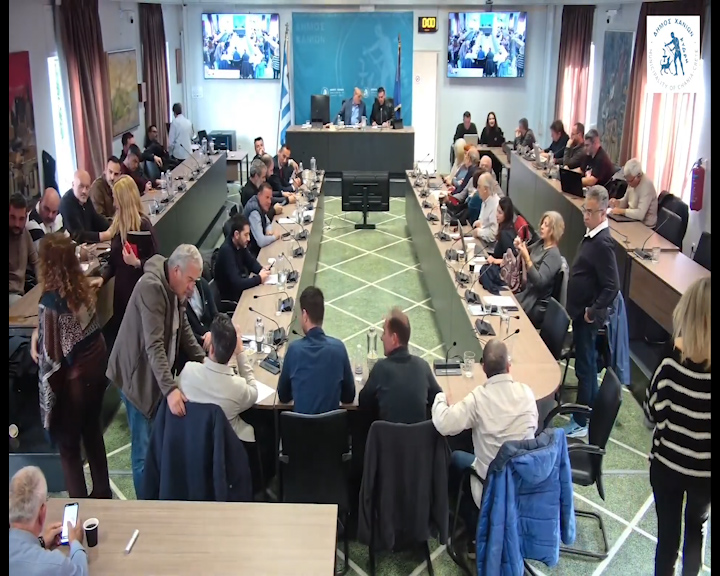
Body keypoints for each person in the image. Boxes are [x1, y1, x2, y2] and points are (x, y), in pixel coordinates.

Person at [106, 244, 207, 499]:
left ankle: (159, 494)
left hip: (153, 376)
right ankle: (146, 506)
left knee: (157, 442)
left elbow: (183, 329)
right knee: (143, 452)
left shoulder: (175, 288)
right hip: (135, 379)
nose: (192, 287)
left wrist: (205, 361)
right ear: (176, 270)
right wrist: (171, 390)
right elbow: (154, 346)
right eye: (191, 280)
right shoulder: (151, 288)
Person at [431, 339, 538, 545]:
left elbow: (443, 424)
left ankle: (472, 528)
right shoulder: (527, 393)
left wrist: (441, 397)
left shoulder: (478, 399)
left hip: (489, 487)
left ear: (483, 368)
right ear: (509, 366)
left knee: (455, 458)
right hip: (523, 482)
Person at [32, 233, 110, 498]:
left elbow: (51, 358)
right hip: (97, 371)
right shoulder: (83, 291)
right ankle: (103, 495)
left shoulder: (49, 303)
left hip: (75, 383)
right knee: (93, 432)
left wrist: (48, 408)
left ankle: (80, 509)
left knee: (68, 448)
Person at [643, 277, 711, 576]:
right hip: (705, 475)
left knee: (667, 539)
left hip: (667, 467)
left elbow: (651, 414)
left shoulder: (670, 359)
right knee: (696, 532)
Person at [564, 186, 619, 438]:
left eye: (590, 211)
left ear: (603, 213)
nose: (585, 215)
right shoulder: (592, 235)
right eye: (584, 209)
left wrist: (592, 311)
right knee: (583, 366)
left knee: (585, 369)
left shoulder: (603, 243)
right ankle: (594, 412)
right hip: (579, 313)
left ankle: (581, 421)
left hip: (587, 317)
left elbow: (612, 286)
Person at [179, 315, 258, 443]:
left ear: (211, 348)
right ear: (232, 352)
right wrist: (241, 353)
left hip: (194, 443)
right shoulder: (238, 387)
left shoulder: (188, 371)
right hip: (227, 446)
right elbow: (254, 391)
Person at [277, 286, 355, 413]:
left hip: (299, 425)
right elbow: (348, 397)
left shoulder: (294, 350)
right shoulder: (339, 348)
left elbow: (283, 396)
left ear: (304, 315)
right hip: (332, 426)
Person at [96, 175, 159, 331]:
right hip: (121, 294)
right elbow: (113, 261)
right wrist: (102, 278)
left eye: (116, 198)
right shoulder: (118, 225)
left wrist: (136, 263)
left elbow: (156, 261)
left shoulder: (143, 225)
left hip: (139, 292)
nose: (114, 203)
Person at [359, 308, 442, 423]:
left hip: (387, 435)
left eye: (384, 332)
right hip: (418, 435)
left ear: (394, 338)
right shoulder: (423, 366)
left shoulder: (380, 368)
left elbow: (363, 401)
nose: (382, 338)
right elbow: (439, 399)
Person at [9, 466, 89, 575]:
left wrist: (41, 542)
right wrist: (76, 543)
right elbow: (81, 573)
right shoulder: (54, 564)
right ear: (42, 513)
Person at [515, 211, 565, 328]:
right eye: (542, 223)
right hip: (526, 293)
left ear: (554, 230)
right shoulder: (541, 244)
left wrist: (527, 259)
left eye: (546, 225)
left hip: (535, 304)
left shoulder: (553, 255)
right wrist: (519, 247)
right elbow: (526, 251)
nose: (542, 227)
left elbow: (540, 282)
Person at [214, 214, 270, 302]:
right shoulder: (226, 251)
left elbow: (251, 262)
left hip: (241, 290)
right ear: (236, 234)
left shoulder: (240, 244)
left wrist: (262, 270)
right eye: (246, 235)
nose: (248, 239)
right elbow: (237, 283)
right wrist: (259, 279)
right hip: (233, 298)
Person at [60, 170, 111, 244]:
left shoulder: (86, 199)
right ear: (73, 185)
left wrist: (112, 227)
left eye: (87, 187)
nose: (84, 191)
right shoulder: (66, 203)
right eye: (81, 186)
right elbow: (77, 235)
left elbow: (96, 220)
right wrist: (104, 236)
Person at [609, 158, 658, 227]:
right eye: (627, 180)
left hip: (645, 225)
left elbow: (640, 214)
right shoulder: (631, 181)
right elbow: (626, 201)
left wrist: (621, 211)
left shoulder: (647, 186)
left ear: (638, 176)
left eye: (630, 181)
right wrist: (617, 203)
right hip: (631, 220)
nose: (628, 183)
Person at [10, 193, 39, 305]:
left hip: (21, 293)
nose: (17, 224)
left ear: (26, 217)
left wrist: (43, 285)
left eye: (21, 219)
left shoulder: (24, 234)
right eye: (13, 217)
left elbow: (36, 262)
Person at [243, 183, 282, 257]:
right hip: (252, 253)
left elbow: (267, 222)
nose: (269, 201)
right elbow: (261, 242)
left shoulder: (259, 203)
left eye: (270, 198)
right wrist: (275, 237)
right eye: (267, 197)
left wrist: (268, 230)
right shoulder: (254, 212)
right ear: (259, 195)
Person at [485, 197, 517, 265]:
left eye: (500, 213)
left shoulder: (505, 234)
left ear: (506, 215)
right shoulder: (505, 227)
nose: (497, 215)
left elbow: (512, 260)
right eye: (497, 210)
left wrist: (495, 260)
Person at [472, 172, 501, 245]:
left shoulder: (496, 205)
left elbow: (493, 234)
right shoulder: (485, 200)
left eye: (479, 187)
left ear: (485, 189)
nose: (477, 189)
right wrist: (479, 222)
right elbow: (484, 223)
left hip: (489, 246)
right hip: (482, 240)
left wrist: (479, 232)